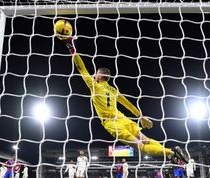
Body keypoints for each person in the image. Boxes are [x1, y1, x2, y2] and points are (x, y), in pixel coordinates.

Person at [61, 36, 187, 164]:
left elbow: (81, 68)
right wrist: (140, 116)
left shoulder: (94, 86)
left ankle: (171, 152)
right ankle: (172, 154)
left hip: (111, 123)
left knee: (141, 146)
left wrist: (71, 46)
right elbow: (127, 104)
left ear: (99, 75)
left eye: (96, 73)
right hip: (123, 118)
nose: (94, 75)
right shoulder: (114, 91)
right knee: (146, 140)